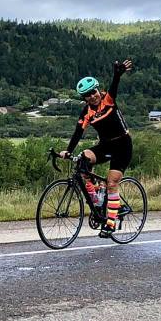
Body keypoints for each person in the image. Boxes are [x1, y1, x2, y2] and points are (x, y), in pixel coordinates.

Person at [59, 59, 134, 238]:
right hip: (105, 145)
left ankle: (110, 223)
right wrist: (68, 151)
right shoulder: (86, 112)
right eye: (87, 95)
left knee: (112, 183)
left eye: (93, 92)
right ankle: (98, 198)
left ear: (98, 90)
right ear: (84, 98)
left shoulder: (108, 99)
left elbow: (114, 87)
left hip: (123, 145)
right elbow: (78, 132)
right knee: (83, 160)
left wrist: (117, 74)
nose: (92, 96)